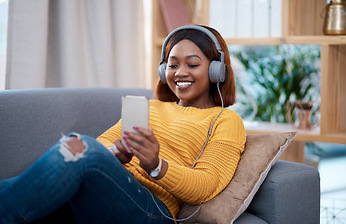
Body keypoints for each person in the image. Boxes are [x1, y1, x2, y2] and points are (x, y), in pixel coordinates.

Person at [0, 25, 246, 224]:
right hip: (112, 192)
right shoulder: (152, 106)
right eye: (172, 65)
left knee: (78, 146)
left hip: (152, 210)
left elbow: (206, 185)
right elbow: (104, 142)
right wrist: (115, 153)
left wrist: (156, 166)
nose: (180, 72)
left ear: (216, 71)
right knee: (57, 173)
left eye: (192, 64)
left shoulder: (225, 120)